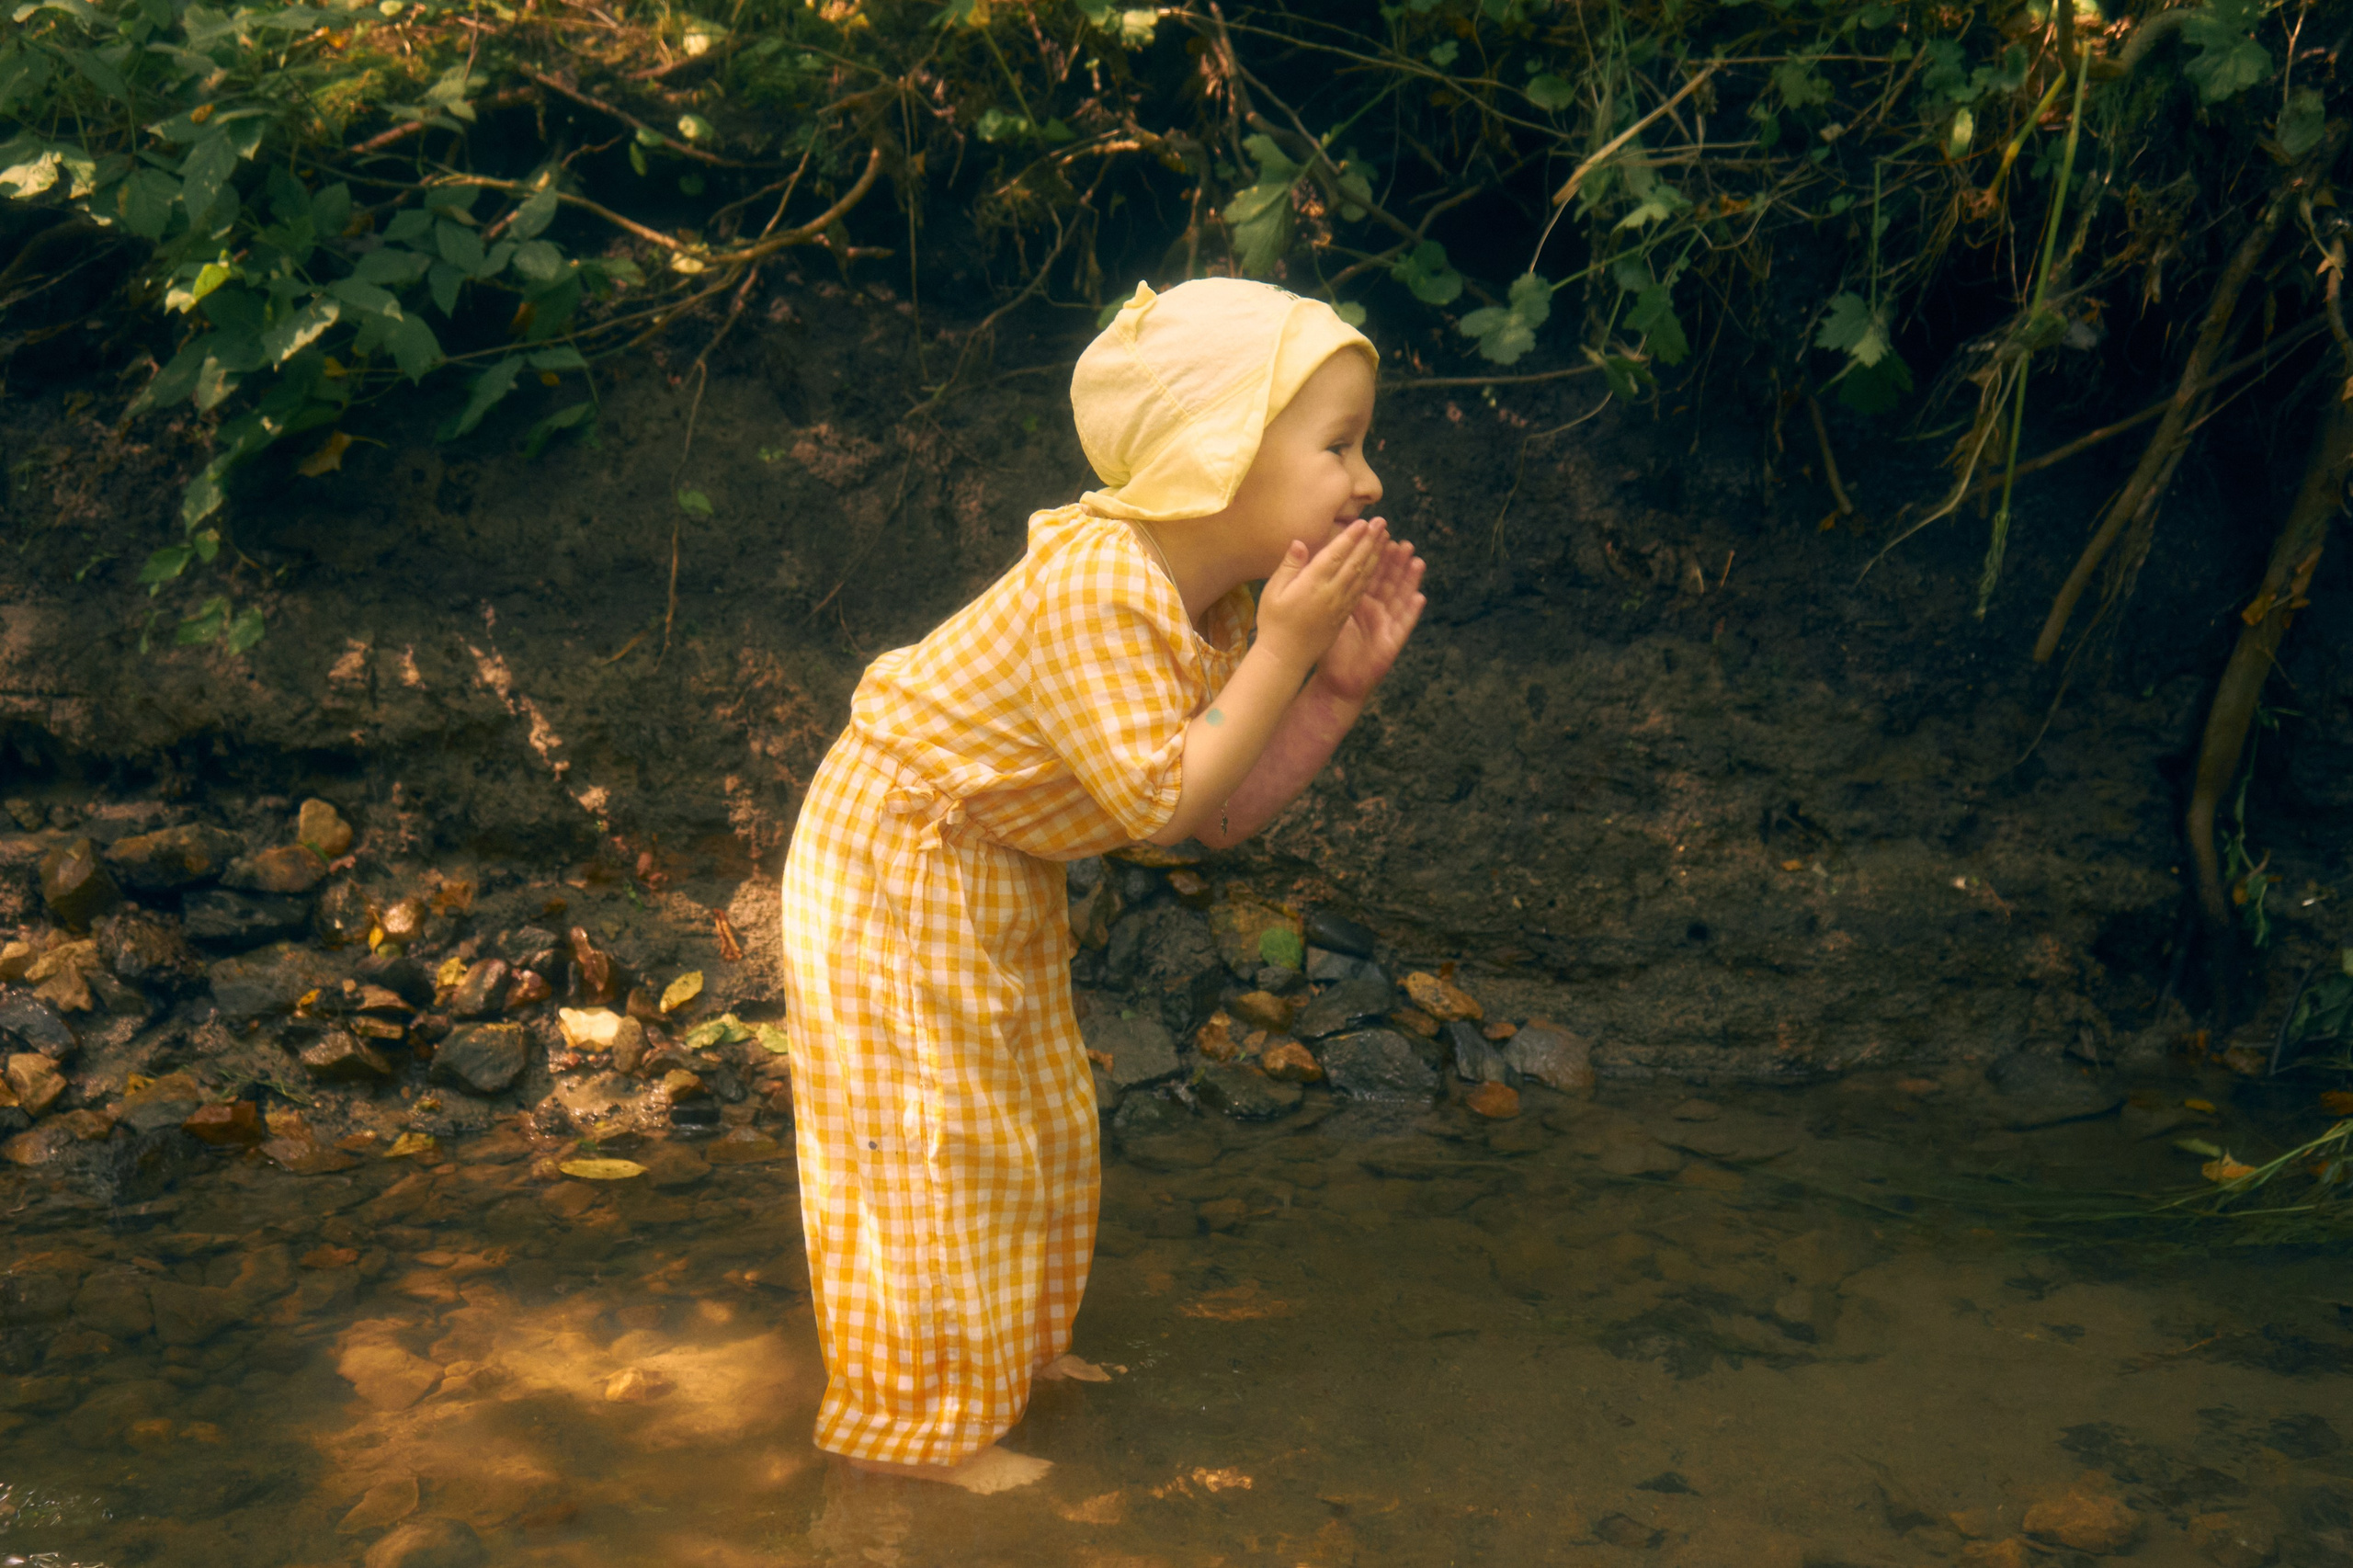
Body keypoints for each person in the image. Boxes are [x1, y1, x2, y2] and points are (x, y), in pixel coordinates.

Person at [779, 277, 1427, 1494]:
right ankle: (912, 1432)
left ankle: (1008, 1363)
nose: (1368, 478)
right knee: (927, 1139)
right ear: (1218, 452)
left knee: (1036, 1120)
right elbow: (1156, 802)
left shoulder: (1212, 603)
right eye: (1337, 444)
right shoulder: (1099, 583)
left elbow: (1217, 810)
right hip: (890, 860)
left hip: (985, 865)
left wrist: (1328, 690)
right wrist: (1288, 652)